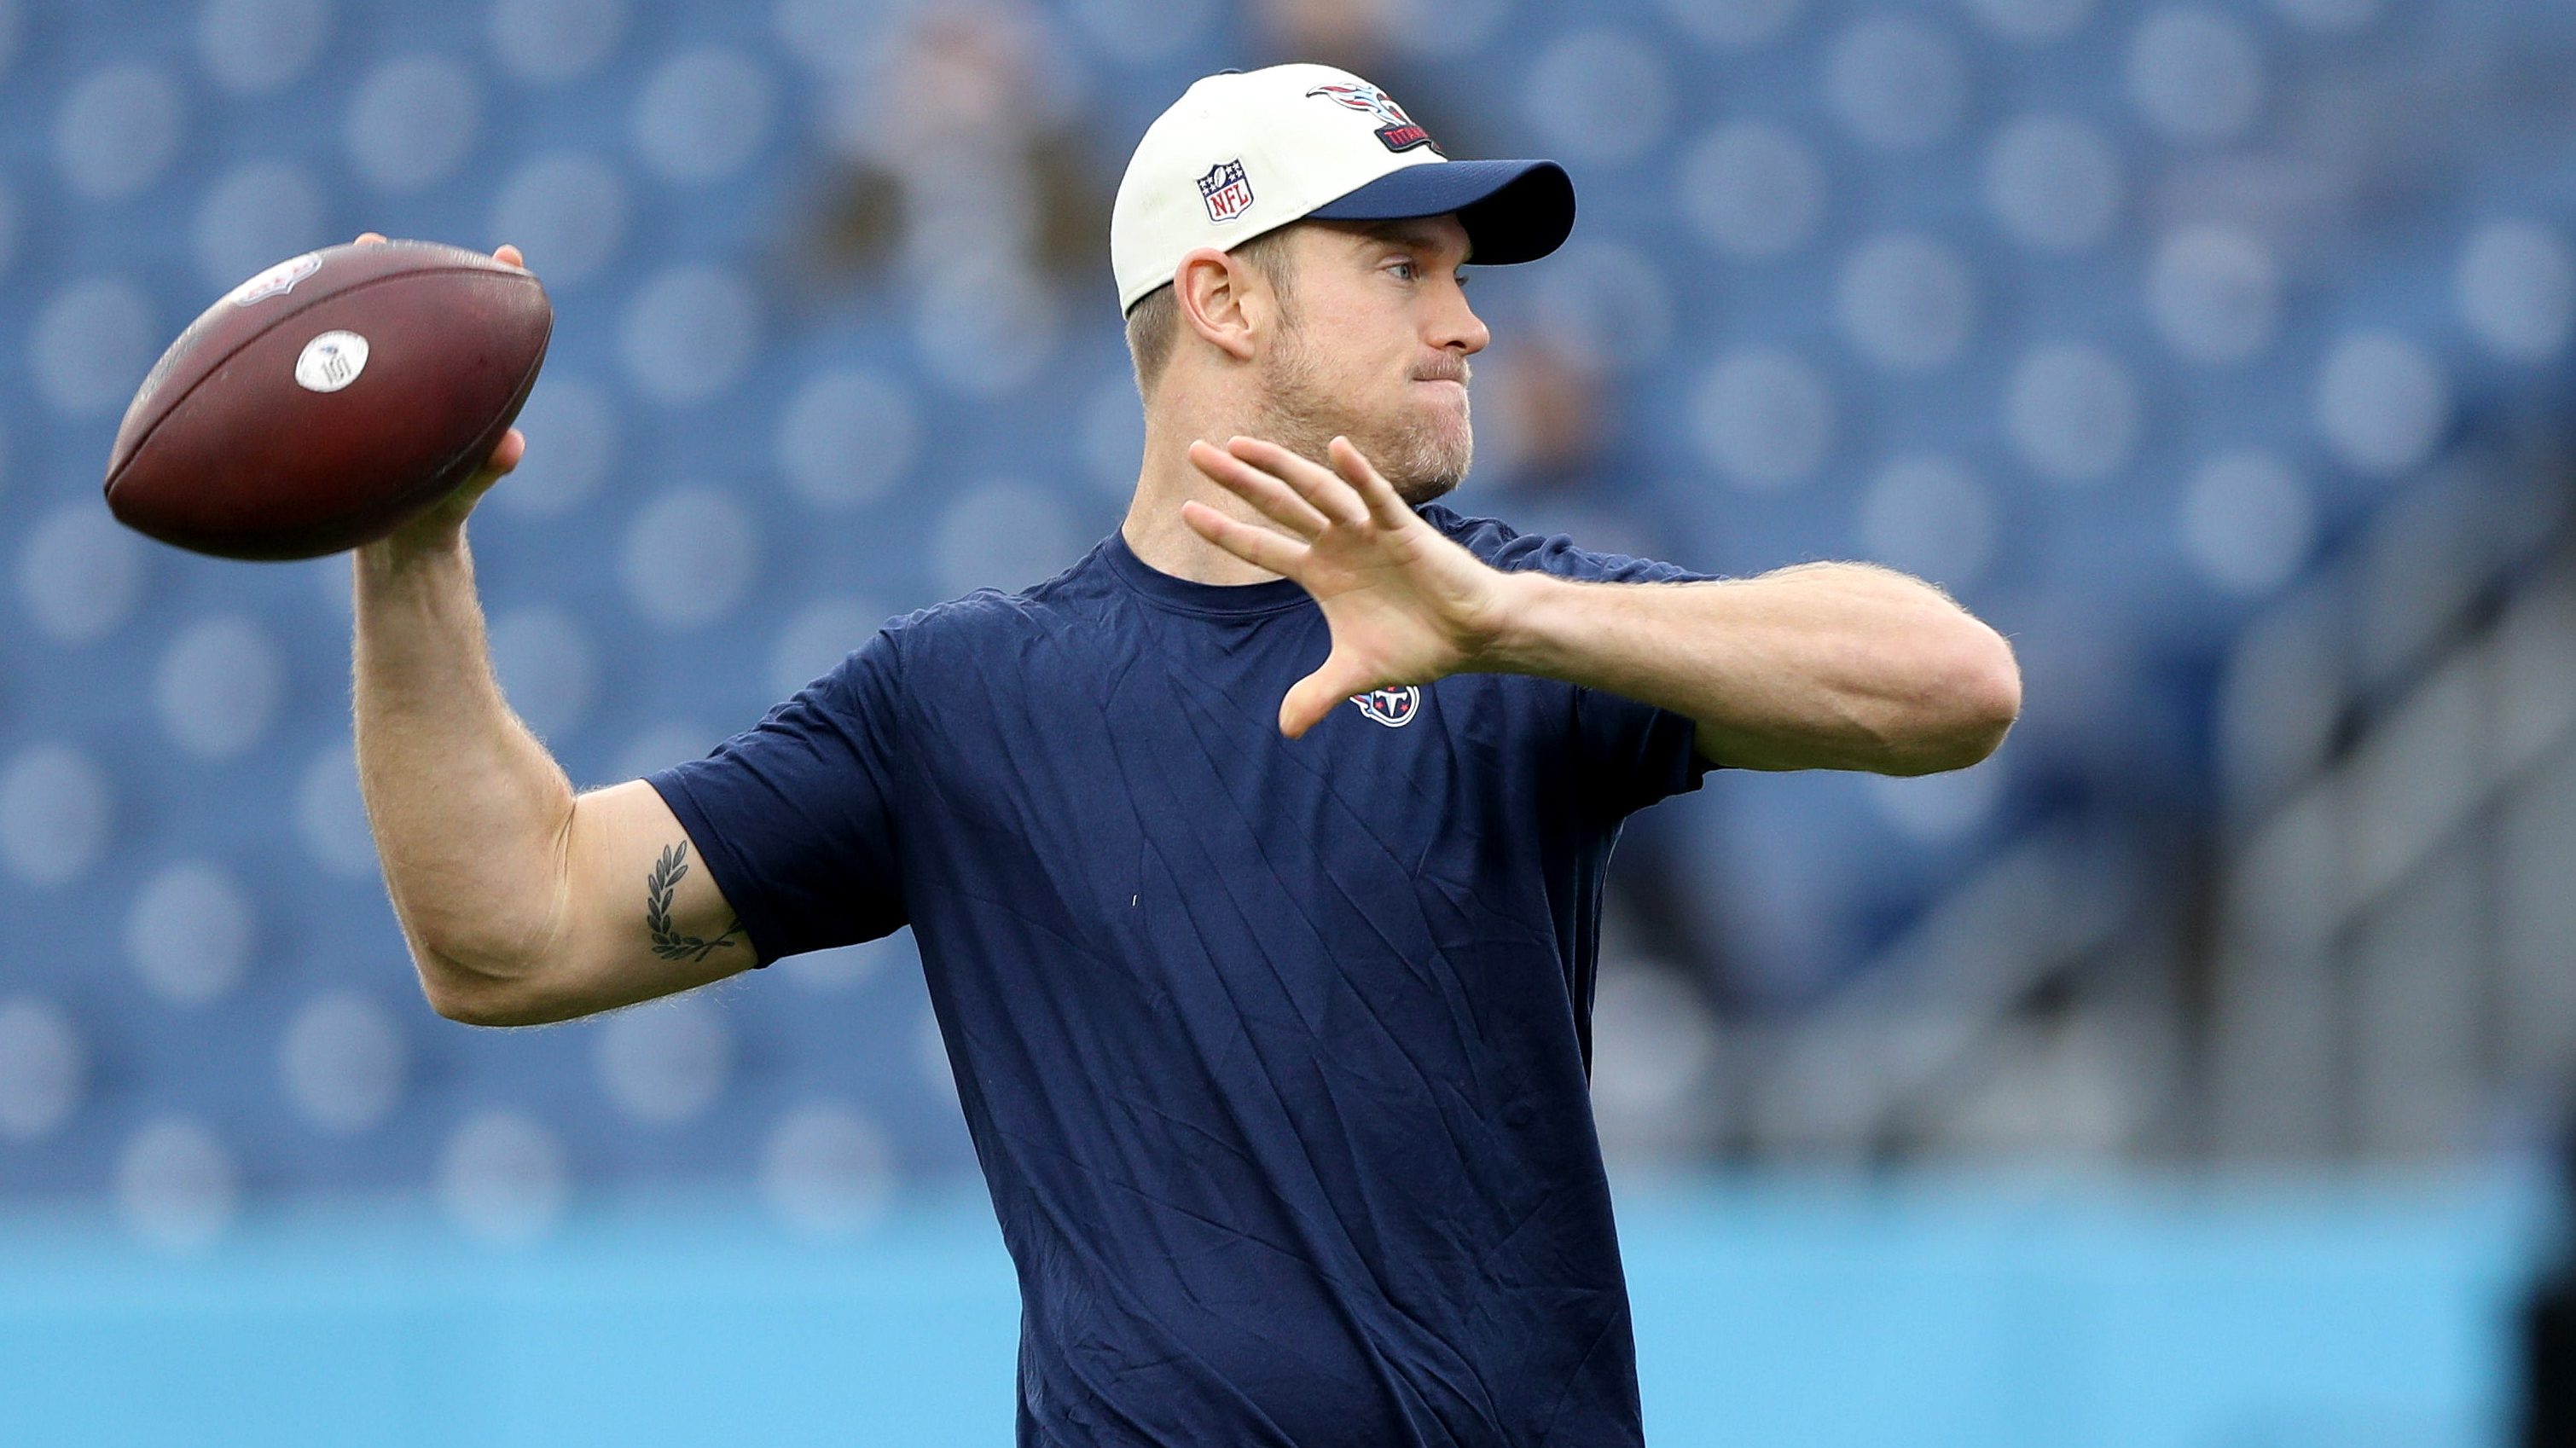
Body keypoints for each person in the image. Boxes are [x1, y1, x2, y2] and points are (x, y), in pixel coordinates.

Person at [354, 64, 2020, 1448]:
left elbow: (1949, 687)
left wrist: (1509, 624)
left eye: (1462, 272)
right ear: (1222, 296)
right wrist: (408, 547)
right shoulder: (963, 698)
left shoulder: (1516, 626)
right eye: (1400, 268)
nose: (1471, 327)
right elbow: (514, 932)